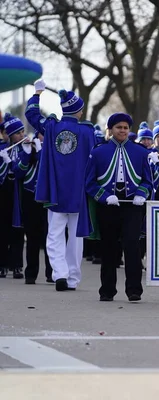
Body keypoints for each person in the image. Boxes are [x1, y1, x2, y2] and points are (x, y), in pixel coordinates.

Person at [25, 79, 96, 291]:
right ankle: (73, 278)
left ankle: (59, 274)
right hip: (78, 192)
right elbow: (93, 161)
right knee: (76, 236)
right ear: (78, 111)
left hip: (55, 190)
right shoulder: (87, 132)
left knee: (54, 233)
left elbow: (32, 115)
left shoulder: (52, 127)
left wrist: (37, 94)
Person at [84, 113, 152, 302]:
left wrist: (142, 193)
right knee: (108, 248)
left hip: (132, 204)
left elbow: (148, 181)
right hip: (108, 205)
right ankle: (106, 290)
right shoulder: (98, 152)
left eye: (125, 127)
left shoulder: (141, 152)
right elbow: (89, 183)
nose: (122, 131)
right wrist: (105, 197)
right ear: (111, 130)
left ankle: (134, 290)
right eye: (118, 127)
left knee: (132, 247)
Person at [13, 130, 54, 284]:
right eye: (40, 135)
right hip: (31, 198)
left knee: (50, 237)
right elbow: (18, 172)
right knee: (32, 237)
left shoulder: (49, 152)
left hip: (47, 198)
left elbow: (47, 164)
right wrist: (27, 152)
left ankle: (51, 273)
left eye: (44, 135)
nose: (41, 138)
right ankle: (31, 273)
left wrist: (41, 150)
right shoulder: (28, 151)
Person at [0, 113, 26, 279]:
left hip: (19, 190)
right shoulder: (2, 148)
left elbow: (23, 169)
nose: (21, 135)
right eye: (18, 133)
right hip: (3, 190)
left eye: (22, 131)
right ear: (9, 135)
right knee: (2, 228)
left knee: (18, 228)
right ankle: (2, 264)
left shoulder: (25, 148)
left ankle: (17, 265)